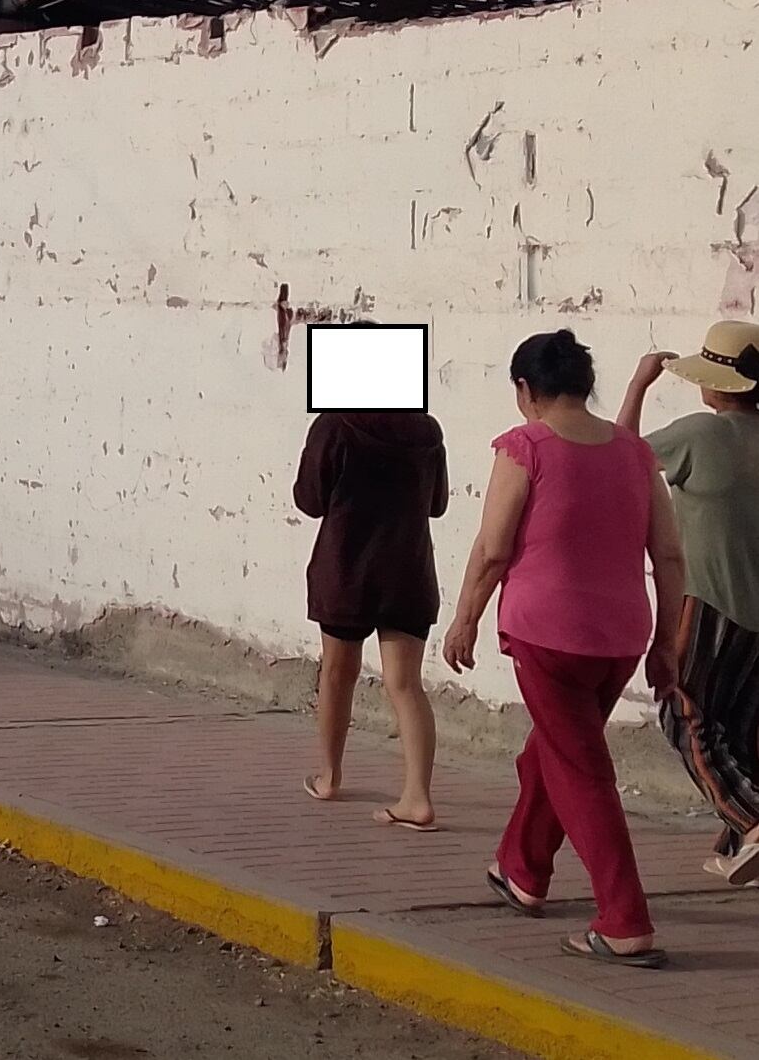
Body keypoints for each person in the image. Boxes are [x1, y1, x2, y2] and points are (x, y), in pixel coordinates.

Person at [442, 329, 686, 969]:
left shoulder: (525, 447)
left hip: (546, 634)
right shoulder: (635, 455)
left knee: (582, 771)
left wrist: (464, 617)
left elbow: (495, 548)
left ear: (526, 390)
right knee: (551, 752)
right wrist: (668, 642)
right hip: (622, 638)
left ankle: (624, 919)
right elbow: (667, 553)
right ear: (584, 385)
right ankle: (522, 868)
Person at [617, 321, 759, 885]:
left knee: (686, 715)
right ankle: (733, 844)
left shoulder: (701, 435)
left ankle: (749, 820)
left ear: (715, 383)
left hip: (710, 599)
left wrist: (638, 385)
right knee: (742, 727)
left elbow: (618, 457)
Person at [293, 391, 449, 830]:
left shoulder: (335, 426)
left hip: (346, 571)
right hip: (409, 573)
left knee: (338, 674)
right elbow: (437, 504)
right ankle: (417, 797)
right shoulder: (426, 429)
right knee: (405, 685)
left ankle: (329, 776)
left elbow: (309, 500)